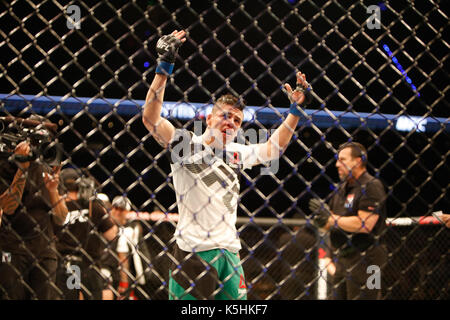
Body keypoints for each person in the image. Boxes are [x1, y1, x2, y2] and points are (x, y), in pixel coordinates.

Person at [142, 30, 312, 300]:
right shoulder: (186, 145)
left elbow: (273, 149)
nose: (230, 123)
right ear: (209, 119)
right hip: (193, 251)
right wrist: (163, 68)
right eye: (225, 116)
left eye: (236, 120)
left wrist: (294, 113)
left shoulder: (236, 152)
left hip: (230, 251)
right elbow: (151, 119)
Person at [0, 117, 68, 300]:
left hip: (44, 250)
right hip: (11, 248)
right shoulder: (7, 164)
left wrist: (53, 190)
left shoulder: (49, 168)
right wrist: (21, 170)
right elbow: (8, 207)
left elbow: (62, 218)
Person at [309, 142, 388, 300]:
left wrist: (331, 219)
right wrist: (321, 220)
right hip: (343, 257)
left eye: (343, 160)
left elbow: (364, 224)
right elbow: (328, 223)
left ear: (358, 161)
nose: (337, 164)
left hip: (368, 259)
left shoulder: (371, 185)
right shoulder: (341, 189)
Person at [54, 168, 117, 300]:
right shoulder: (92, 206)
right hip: (90, 264)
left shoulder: (58, 209)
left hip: (67, 263)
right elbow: (112, 234)